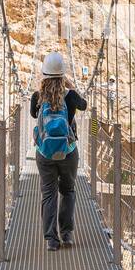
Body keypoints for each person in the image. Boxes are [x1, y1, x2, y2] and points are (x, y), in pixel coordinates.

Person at [31, 51, 87, 251]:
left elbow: (32, 114)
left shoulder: (37, 96)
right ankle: (67, 234)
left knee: (48, 195)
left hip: (45, 153)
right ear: (62, 74)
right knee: (68, 191)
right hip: (68, 151)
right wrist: (70, 86)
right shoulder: (70, 95)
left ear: (44, 74)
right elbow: (84, 105)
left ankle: (51, 240)